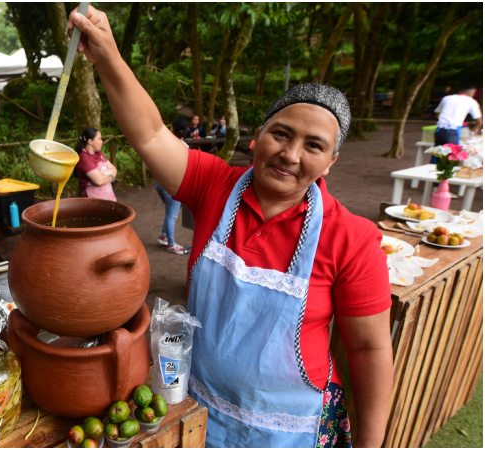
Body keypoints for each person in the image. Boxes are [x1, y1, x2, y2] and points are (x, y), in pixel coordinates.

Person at [69, 6, 393, 447]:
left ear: (331, 161)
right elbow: (149, 134)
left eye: (313, 145)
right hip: (200, 407)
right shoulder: (214, 186)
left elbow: (369, 350)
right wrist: (107, 54)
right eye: (281, 134)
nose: (291, 154)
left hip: (291, 430)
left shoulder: (352, 239)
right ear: (258, 136)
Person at [156, 117, 191, 255]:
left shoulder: (164, 143)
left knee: (170, 212)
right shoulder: (184, 147)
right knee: (172, 215)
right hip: (173, 186)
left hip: (160, 183)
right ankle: (171, 243)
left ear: (172, 129)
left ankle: (164, 235)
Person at [74, 128, 118, 201]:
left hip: (109, 198)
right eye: (99, 139)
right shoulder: (84, 158)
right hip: (94, 204)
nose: (102, 142)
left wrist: (103, 175)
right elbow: (99, 181)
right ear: (90, 141)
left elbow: (114, 169)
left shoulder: (99, 153)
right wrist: (111, 176)